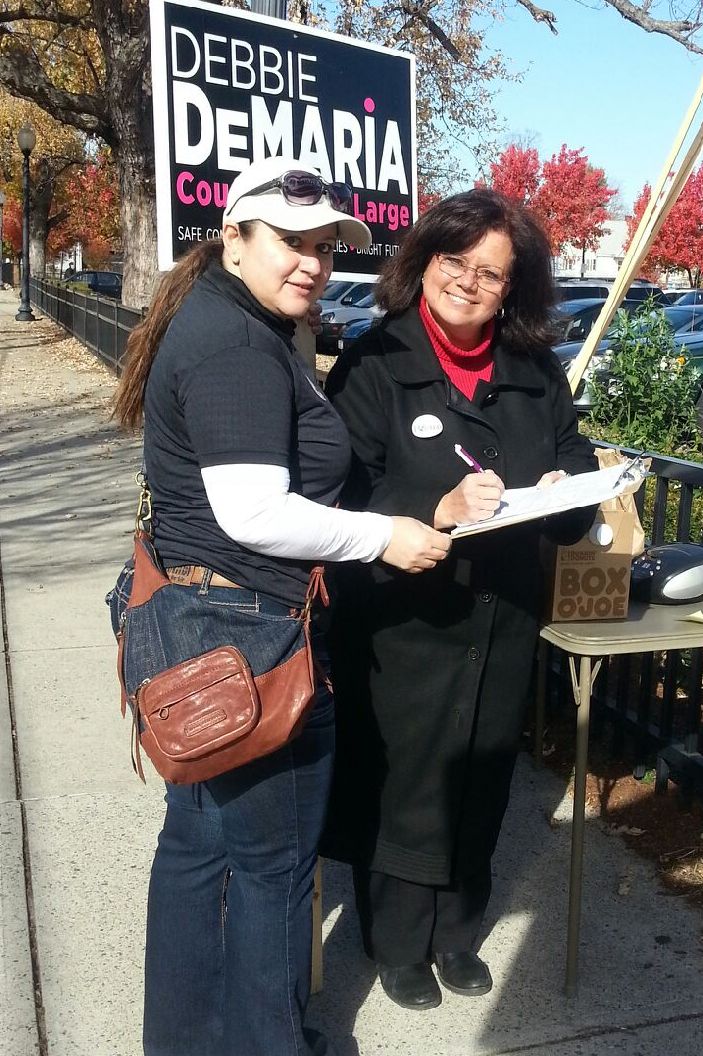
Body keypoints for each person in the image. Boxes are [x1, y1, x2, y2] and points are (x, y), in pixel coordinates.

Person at [111, 156, 450, 1056]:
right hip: (253, 650)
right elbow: (253, 512)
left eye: (322, 246)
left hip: (199, 636)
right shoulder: (233, 344)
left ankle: (184, 1042)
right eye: (288, 242)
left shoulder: (230, 321)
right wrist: (385, 535)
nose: (310, 262)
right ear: (233, 237)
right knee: (268, 870)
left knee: (200, 851)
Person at [322, 188, 598, 1011]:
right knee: (406, 775)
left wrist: (564, 487)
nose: (468, 283)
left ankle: (455, 930)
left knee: (481, 770)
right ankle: (398, 938)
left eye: (491, 273)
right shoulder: (375, 362)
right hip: (405, 619)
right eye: (454, 262)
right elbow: (336, 502)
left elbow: (577, 474)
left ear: (512, 288)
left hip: (501, 616)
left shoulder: (533, 371)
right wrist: (433, 511)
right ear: (424, 260)